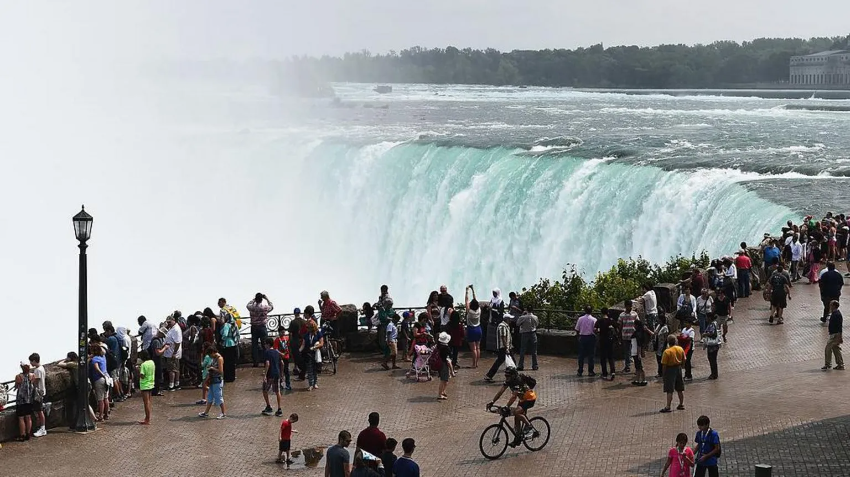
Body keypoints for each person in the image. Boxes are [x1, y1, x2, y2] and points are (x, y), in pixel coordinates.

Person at [487, 366, 537, 447]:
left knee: (517, 412)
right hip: (523, 400)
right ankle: (518, 438)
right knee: (516, 417)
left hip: (530, 399)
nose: (506, 378)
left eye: (508, 376)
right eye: (505, 376)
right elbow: (501, 391)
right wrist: (492, 402)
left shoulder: (518, 381)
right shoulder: (509, 380)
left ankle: (530, 427)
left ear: (513, 375)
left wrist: (507, 406)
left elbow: (513, 397)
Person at [198, 345, 227, 419]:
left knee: (219, 397)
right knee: (210, 397)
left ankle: (223, 413)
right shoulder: (214, 358)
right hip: (212, 380)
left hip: (217, 380)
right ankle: (206, 413)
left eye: (210, 354)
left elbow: (221, 371)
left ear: (213, 352)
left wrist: (212, 368)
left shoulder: (219, 358)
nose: (210, 356)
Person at [484, 312, 512, 383]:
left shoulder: (505, 326)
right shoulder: (503, 326)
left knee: (502, 361)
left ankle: (489, 375)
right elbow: (503, 337)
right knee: (501, 361)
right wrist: (507, 348)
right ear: (507, 319)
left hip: (505, 347)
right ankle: (489, 375)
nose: (511, 321)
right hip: (503, 347)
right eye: (510, 319)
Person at [660, 335, 685, 413]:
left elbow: (664, 365)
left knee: (669, 389)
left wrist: (664, 374)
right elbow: (684, 359)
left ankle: (668, 406)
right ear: (675, 341)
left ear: (668, 342)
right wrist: (682, 366)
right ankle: (681, 404)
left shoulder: (667, 351)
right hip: (678, 368)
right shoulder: (680, 349)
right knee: (680, 388)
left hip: (670, 370)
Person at [247, 292, 274, 367]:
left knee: (254, 345)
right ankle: (266, 362)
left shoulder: (252, 307)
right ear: (262, 299)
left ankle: (256, 362)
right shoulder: (264, 307)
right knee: (265, 345)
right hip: (262, 327)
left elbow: (247, 305)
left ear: (256, 299)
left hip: (254, 327)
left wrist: (254, 299)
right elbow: (271, 306)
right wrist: (267, 298)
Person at [261, 338, 283, 416]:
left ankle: (268, 406)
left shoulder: (267, 352)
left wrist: (265, 375)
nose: (264, 345)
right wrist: (281, 374)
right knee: (277, 391)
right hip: (277, 373)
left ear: (268, 344)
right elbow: (282, 363)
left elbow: (267, 364)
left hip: (270, 374)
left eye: (265, 344)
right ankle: (279, 409)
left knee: (264, 390)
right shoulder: (276, 352)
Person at [14, 361, 35, 441]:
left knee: (21, 418)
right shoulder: (32, 375)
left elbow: (17, 386)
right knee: (28, 417)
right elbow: (32, 384)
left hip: (21, 400)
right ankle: (28, 434)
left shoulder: (18, 376)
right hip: (29, 399)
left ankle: (22, 435)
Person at [301, 319, 324, 391]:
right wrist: (300, 350)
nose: (308, 329)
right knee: (310, 369)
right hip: (308, 354)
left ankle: (315, 383)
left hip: (316, 353)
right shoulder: (306, 335)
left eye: (309, 327)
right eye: (307, 327)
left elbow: (321, 343)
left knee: (315, 369)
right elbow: (303, 344)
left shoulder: (318, 333)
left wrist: (315, 347)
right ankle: (310, 384)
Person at [90, 343, 110, 421]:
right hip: (107, 378)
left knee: (100, 399)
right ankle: (106, 414)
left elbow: (96, 368)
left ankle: (101, 415)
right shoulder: (103, 357)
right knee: (106, 398)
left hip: (99, 379)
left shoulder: (95, 359)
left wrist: (102, 375)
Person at [595, 308, 617, 380]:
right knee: (611, 356)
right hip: (610, 340)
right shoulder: (611, 320)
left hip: (602, 340)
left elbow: (595, 329)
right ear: (607, 312)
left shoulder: (600, 321)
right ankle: (613, 371)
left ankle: (604, 373)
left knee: (603, 357)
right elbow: (617, 326)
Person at [162, 315, 183, 390]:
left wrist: (174, 353)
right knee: (176, 368)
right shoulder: (172, 328)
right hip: (171, 352)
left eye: (169, 322)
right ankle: (176, 383)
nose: (168, 323)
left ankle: (171, 385)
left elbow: (177, 342)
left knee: (172, 369)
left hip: (172, 352)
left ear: (173, 320)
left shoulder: (176, 329)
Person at [28, 353, 47, 437]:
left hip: (38, 393)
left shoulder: (37, 370)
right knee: (39, 411)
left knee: (39, 411)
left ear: (34, 361)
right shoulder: (41, 368)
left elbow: (35, 381)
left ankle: (42, 429)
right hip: (41, 391)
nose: (30, 363)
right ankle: (41, 428)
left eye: (31, 361)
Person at [575, 306, 597, 376]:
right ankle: (590, 371)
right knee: (591, 355)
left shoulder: (580, 319)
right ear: (591, 311)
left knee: (581, 355)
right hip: (591, 337)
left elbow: (577, 329)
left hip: (583, 337)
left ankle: (580, 371)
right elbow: (595, 330)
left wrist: (578, 336)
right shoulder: (594, 320)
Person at [823, 300, 845, 370]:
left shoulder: (837, 315)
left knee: (828, 349)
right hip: (834, 334)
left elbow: (839, 326)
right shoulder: (834, 314)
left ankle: (828, 364)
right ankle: (840, 364)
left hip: (835, 335)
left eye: (831, 305)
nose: (830, 306)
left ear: (834, 306)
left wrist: (840, 336)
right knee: (836, 349)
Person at [516, 305, 539, 371]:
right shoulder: (535, 317)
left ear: (526, 309)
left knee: (522, 350)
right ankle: (535, 365)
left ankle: (520, 365)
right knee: (534, 351)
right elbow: (537, 324)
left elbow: (517, 324)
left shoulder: (523, 317)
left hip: (524, 333)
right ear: (532, 310)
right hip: (533, 333)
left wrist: (522, 314)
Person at [631, 317, 652, 386]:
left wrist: (639, 354)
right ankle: (637, 380)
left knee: (640, 367)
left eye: (634, 324)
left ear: (637, 325)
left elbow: (639, 345)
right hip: (634, 351)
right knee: (637, 367)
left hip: (636, 352)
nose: (633, 326)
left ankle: (643, 380)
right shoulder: (638, 332)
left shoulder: (638, 334)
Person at [465, 286, 482, 368]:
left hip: (471, 329)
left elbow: (466, 300)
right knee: (478, 347)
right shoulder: (479, 310)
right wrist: (473, 290)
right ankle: (477, 363)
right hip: (478, 329)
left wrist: (467, 291)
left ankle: (473, 364)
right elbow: (476, 301)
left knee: (473, 349)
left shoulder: (469, 311)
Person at [220, 312, 239, 383]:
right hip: (233, 343)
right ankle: (232, 376)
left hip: (227, 344)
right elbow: (238, 334)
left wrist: (222, 340)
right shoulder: (234, 324)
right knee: (232, 362)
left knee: (227, 362)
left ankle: (227, 377)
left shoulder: (226, 325)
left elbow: (225, 334)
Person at [436, 332, 456, 400]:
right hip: (444, 365)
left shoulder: (439, 346)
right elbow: (448, 361)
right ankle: (440, 394)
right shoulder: (446, 348)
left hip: (440, 364)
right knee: (443, 380)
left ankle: (442, 391)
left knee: (445, 380)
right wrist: (452, 371)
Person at [619, 300, 638, 373]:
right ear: (625, 306)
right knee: (626, 352)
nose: (630, 307)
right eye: (628, 306)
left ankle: (637, 368)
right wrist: (619, 335)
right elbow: (620, 326)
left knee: (635, 352)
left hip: (633, 336)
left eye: (631, 306)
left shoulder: (634, 314)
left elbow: (637, 324)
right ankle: (627, 366)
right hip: (625, 336)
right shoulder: (622, 315)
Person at [273, 326, 292, 391]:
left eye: (284, 332)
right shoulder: (277, 340)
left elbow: (289, 345)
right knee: (280, 371)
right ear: (279, 332)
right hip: (280, 358)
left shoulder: (287, 338)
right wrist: (281, 354)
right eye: (282, 332)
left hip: (286, 356)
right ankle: (281, 384)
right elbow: (275, 349)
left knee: (286, 371)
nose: (283, 333)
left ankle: (288, 384)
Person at [486, 288, 505, 353]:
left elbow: (501, 310)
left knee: (498, 334)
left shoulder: (500, 301)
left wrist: (493, 309)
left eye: (495, 293)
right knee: (491, 335)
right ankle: (491, 349)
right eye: (493, 293)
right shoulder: (492, 299)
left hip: (498, 319)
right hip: (492, 319)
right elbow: (489, 306)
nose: (493, 294)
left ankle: (498, 349)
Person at [138, 350, 154, 425]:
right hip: (151, 383)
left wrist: (138, 370)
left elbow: (142, 375)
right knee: (149, 402)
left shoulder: (143, 365)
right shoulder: (152, 362)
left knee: (146, 403)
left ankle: (147, 419)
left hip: (145, 385)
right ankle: (148, 417)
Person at [289, 308, 306, 379]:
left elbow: (290, 333)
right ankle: (303, 369)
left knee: (295, 356)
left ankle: (296, 368)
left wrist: (290, 342)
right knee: (302, 356)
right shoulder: (304, 321)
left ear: (294, 313)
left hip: (295, 341)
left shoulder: (293, 322)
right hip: (302, 340)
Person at [653, 313, 670, 378]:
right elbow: (655, 333)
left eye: (659, 319)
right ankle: (660, 372)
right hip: (658, 345)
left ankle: (663, 373)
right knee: (658, 360)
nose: (658, 320)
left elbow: (666, 339)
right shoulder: (658, 326)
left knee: (663, 361)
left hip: (663, 346)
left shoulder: (665, 328)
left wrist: (664, 348)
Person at [150, 327, 166, 395]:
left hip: (154, 359)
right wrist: (165, 348)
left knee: (156, 375)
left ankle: (156, 390)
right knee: (157, 375)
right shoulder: (156, 341)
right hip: (156, 360)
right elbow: (158, 352)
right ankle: (156, 391)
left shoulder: (155, 339)